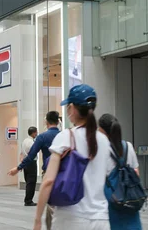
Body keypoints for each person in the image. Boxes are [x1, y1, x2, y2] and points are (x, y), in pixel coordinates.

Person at [33, 84, 112, 230]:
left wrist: (38, 219)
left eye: (68, 106)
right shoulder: (104, 141)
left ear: (72, 108)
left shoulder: (65, 137)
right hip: (102, 219)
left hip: (71, 219)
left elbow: (48, 181)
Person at [9, 111, 61, 226]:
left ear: (46, 122)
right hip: (64, 173)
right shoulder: (64, 135)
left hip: (49, 173)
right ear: (58, 122)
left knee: (51, 205)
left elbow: (30, 156)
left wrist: (18, 168)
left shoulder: (42, 137)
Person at [98, 113, 142, 229]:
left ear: (102, 130)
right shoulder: (128, 146)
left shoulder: (101, 149)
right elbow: (136, 172)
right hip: (128, 197)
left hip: (110, 199)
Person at [18, 126, 38, 206]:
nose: (37, 134)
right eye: (36, 132)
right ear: (33, 133)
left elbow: (22, 153)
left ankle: (28, 199)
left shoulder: (24, 141)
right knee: (32, 182)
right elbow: (32, 153)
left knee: (28, 182)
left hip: (25, 162)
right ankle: (29, 200)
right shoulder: (32, 143)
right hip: (31, 163)